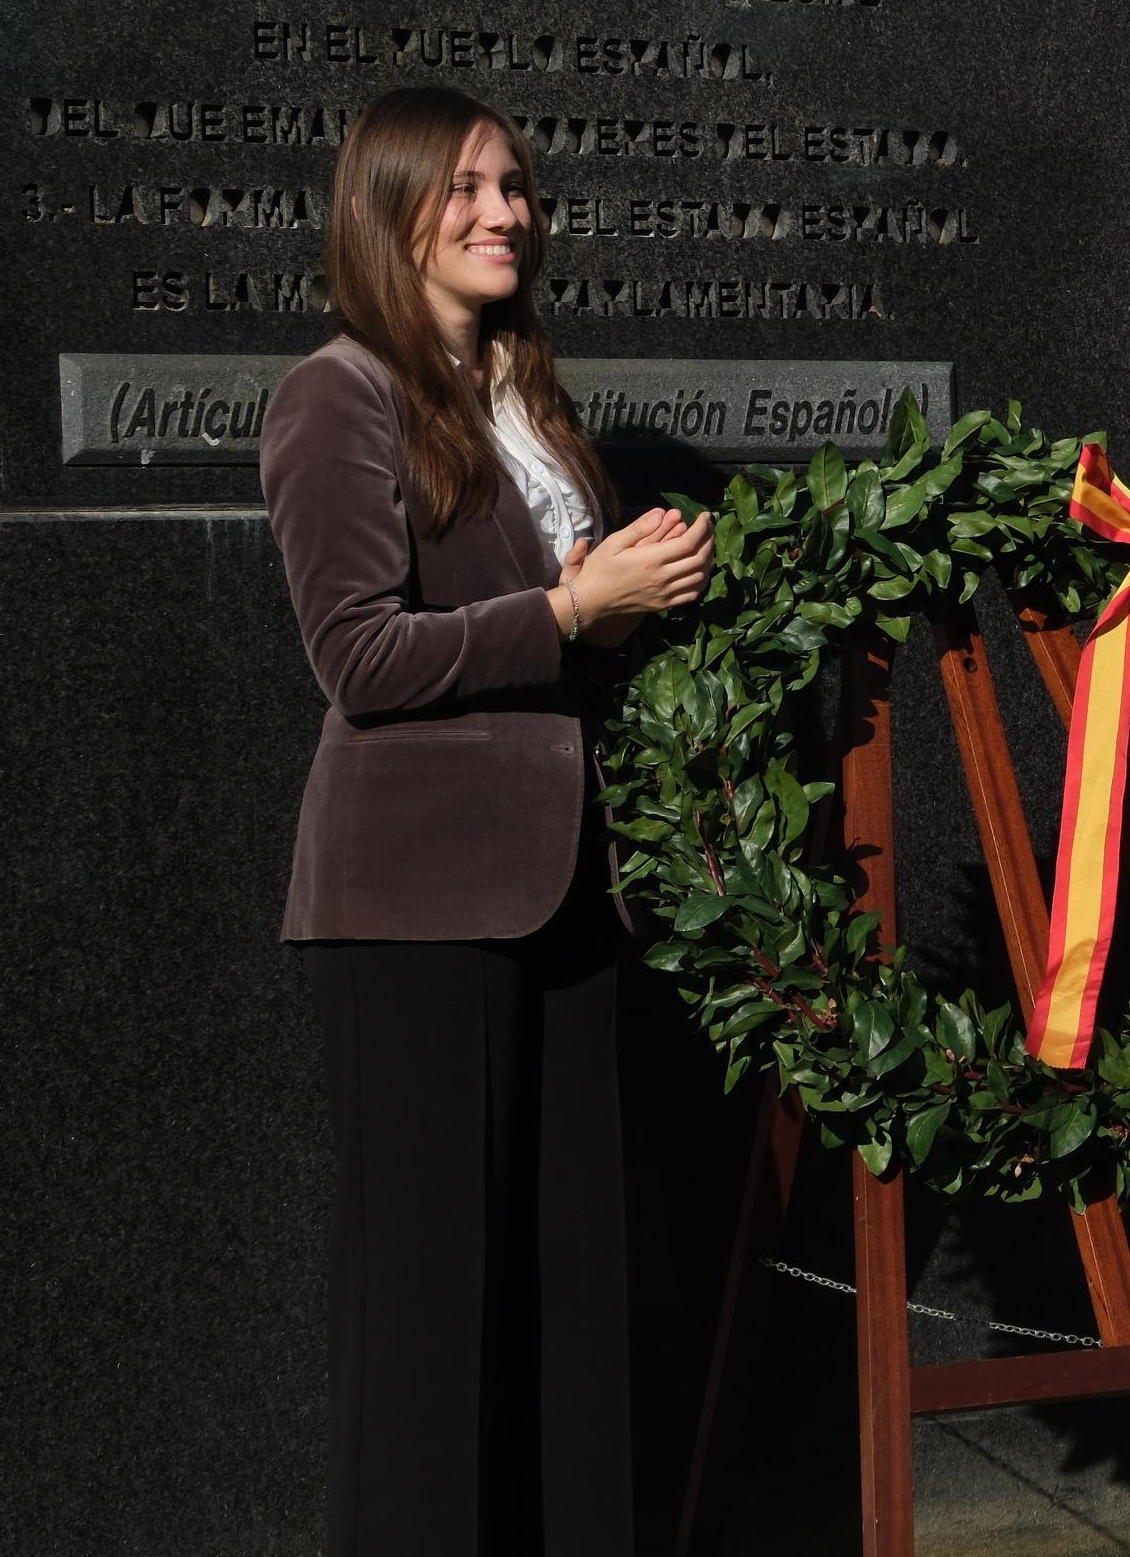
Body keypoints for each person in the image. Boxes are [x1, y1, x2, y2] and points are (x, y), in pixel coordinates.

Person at [260, 85, 715, 1557]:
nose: (503, 212)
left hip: (570, 890)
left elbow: (554, 625)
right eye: (464, 188)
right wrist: (575, 609)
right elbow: (360, 658)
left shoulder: (526, 397)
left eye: (514, 185)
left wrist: (629, 596)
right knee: (427, 1311)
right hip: (414, 906)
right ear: (387, 209)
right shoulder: (337, 394)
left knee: (575, 1298)